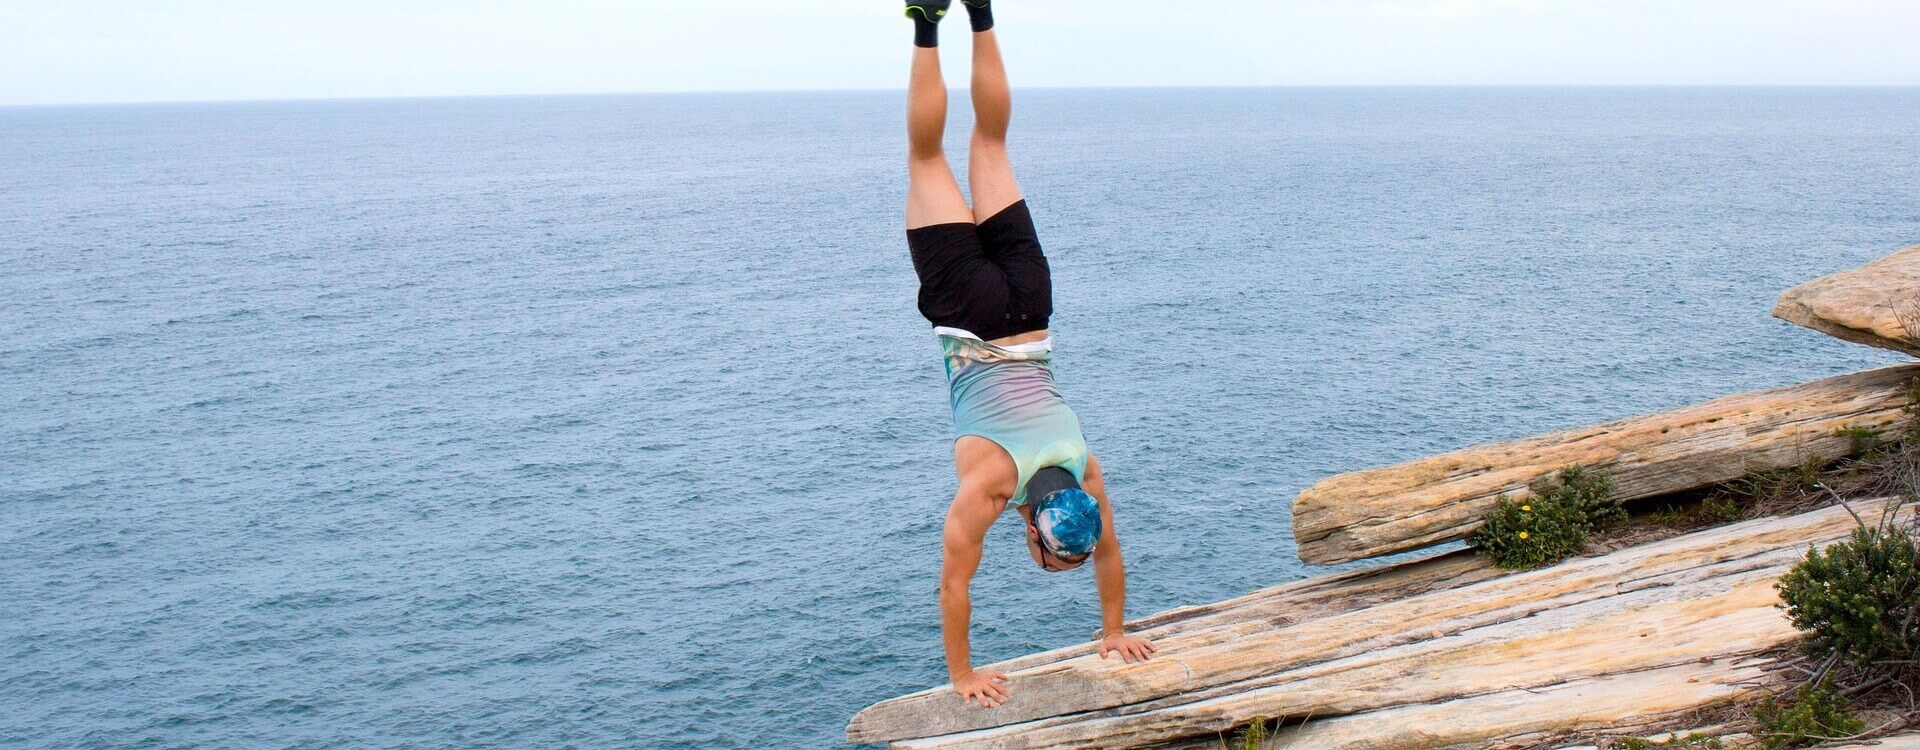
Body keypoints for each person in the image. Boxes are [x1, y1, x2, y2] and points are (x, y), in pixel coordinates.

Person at [900, 0, 1156, 710]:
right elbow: (954, 585)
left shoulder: (1084, 467)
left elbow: (1108, 551)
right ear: (1038, 537)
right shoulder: (987, 489)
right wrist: (962, 676)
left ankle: (980, 14)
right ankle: (926, 22)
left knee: (991, 144)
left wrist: (1114, 629)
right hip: (970, 314)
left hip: (1031, 307)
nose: (1047, 563)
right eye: (1050, 561)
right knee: (927, 157)